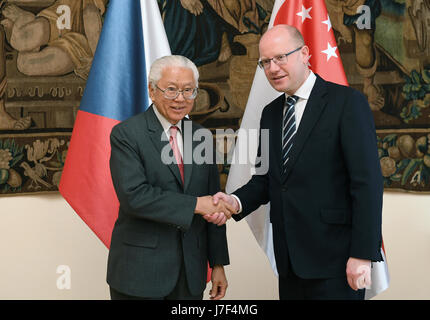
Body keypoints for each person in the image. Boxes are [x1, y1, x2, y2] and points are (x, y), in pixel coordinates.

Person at [206, 25, 384, 300]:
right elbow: (265, 179)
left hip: (337, 261)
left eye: (280, 58)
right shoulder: (271, 114)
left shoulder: (347, 103)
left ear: (304, 53)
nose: (273, 68)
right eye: (265, 62)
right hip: (289, 263)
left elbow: (367, 185)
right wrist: (235, 202)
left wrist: (361, 255)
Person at [107, 55, 235, 300]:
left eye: (188, 91)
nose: (180, 99)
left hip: (191, 275)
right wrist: (198, 204)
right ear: (152, 91)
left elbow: (214, 204)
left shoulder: (201, 136)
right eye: (172, 90)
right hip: (139, 274)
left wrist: (218, 264)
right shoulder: (126, 134)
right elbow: (135, 196)